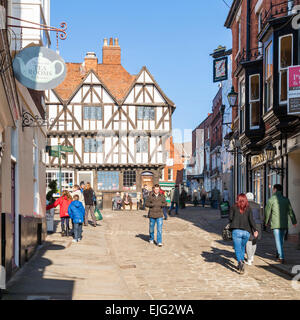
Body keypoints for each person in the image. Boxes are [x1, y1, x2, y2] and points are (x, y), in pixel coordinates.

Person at [265, 184, 297, 264]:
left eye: (273, 189)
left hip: (275, 224)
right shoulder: (286, 199)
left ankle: (281, 257)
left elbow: (267, 211)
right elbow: (290, 211)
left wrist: (265, 222)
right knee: (281, 240)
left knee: (278, 241)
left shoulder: (271, 199)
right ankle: (278, 252)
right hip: (284, 223)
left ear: (275, 189)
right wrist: (294, 221)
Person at [229, 194, 258, 274]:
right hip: (246, 232)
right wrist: (255, 230)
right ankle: (241, 261)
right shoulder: (248, 208)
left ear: (237, 199)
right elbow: (251, 220)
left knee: (237, 248)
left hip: (236, 231)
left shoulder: (233, 207)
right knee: (242, 248)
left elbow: (230, 218)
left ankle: (240, 262)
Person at [245, 193, 264, 266]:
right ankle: (252, 256)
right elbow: (261, 217)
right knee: (254, 241)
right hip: (257, 224)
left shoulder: (246, 205)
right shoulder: (257, 205)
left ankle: (249, 259)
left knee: (249, 241)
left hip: (248, 224)